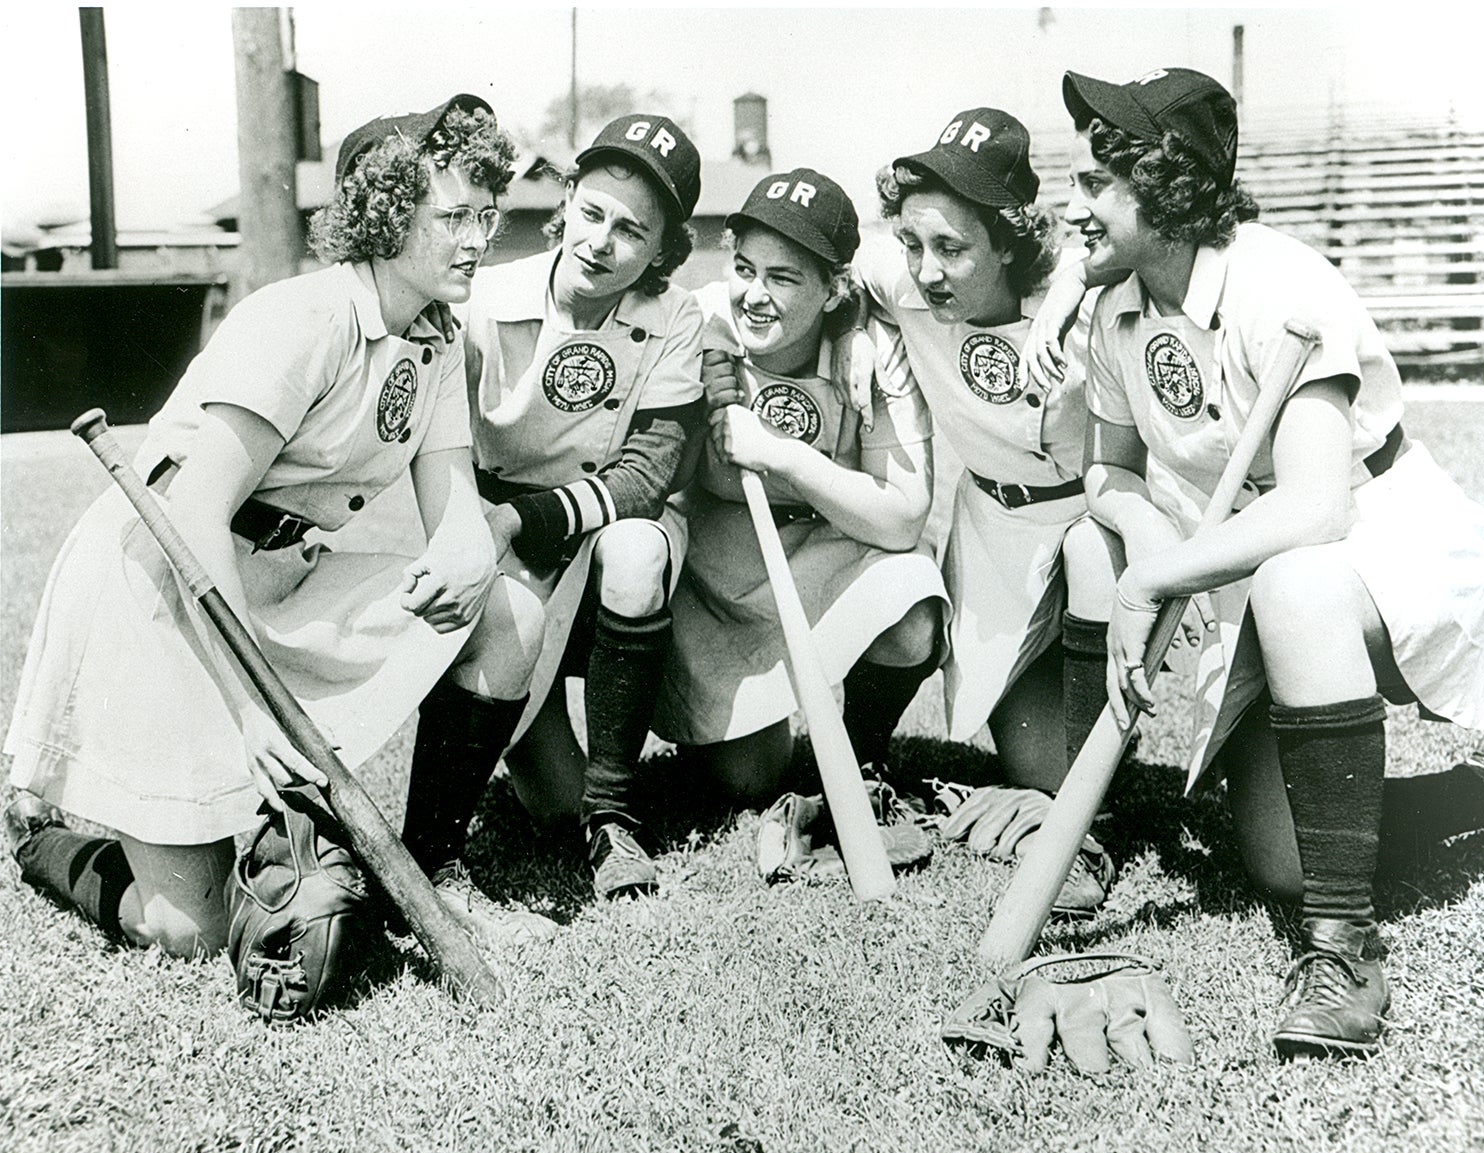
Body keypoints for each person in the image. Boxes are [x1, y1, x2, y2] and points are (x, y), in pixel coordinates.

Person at [4, 95, 554, 961]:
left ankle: (428, 864)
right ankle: (42, 840)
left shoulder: (436, 337)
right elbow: (193, 515)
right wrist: (252, 711)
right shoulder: (304, 317)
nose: (478, 237)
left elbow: (456, 514)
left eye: (487, 214)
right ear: (385, 212)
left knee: (511, 613)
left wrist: (470, 553)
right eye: (452, 215)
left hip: (279, 578)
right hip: (161, 586)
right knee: (193, 929)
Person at [1050, 66, 1484, 1055]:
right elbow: (1108, 473)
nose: (1069, 205)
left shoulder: (1280, 282)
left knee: (1296, 582)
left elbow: (1316, 504)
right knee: (1278, 858)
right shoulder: (1114, 308)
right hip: (1252, 553)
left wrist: (1163, 576)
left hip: (1381, 531)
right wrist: (1148, 544)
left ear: (1162, 185)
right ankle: (1474, 797)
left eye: (1090, 184)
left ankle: (1344, 958)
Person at [854, 108, 1132, 912]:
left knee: (1083, 788)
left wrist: (1075, 281)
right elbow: (817, 268)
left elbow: (1142, 247)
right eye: (914, 243)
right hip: (993, 531)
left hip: (1091, 533)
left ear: (1010, 240)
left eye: (953, 247)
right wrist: (853, 338)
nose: (928, 269)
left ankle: (1092, 831)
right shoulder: (904, 284)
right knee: (1036, 771)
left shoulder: (1078, 306)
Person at [459, 114, 705, 900]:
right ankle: (559, 779)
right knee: (546, 806)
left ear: (664, 249)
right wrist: (495, 526)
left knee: (637, 547)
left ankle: (614, 815)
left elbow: (648, 475)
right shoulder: (484, 296)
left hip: (597, 529)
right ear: (566, 201)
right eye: (592, 213)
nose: (601, 242)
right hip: (504, 538)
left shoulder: (675, 317)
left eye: (631, 230)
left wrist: (524, 521)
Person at [652, 167, 948, 805]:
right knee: (748, 784)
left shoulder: (873, 348)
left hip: (824, 559)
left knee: (913, 606)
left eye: (783, 278)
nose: (755, 295)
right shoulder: (698, 323)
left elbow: (902, 518)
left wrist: (779, 454)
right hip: (718, 578)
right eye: (746, 268)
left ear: (835, 288)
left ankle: (863, 758)